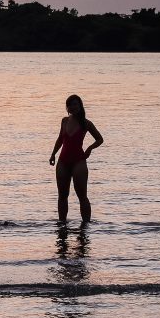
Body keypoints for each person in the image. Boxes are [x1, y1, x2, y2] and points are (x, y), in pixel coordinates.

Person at [49, 94, 104, 222]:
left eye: (75, 104)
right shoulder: (64, 121)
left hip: (78, 161)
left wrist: (89, 148)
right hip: (63, 161)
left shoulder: (86, 123)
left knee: (82, 196)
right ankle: (62, 224)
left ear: (80, 106)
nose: (72, 107)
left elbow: (100, 139)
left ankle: (86, 225)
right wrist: (53, 154)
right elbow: (60, 139)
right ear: (67, 107)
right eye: (70, 104)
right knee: (62, 195)